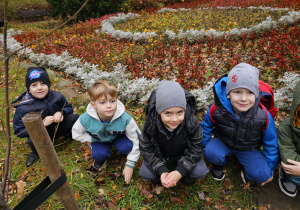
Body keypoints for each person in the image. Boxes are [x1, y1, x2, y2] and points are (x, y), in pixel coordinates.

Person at [201, 63, 278, 186]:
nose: (243, 98)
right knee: (210, 152)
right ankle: (220, 163)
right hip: (223, 142)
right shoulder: (217, 109)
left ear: (256, 94)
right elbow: (206, 126)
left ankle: (248, 172)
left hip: (249, 149)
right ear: (228, 93)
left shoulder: (263, 116)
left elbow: (271, 142)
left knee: (262, 174)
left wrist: (271, 166)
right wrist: (203, 145)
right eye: (237, 92)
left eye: (249, 93)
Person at [139, 80, 209, 188]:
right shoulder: (150, 123)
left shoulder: (191, 122)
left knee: (200, 171)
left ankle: (184, 174)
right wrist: (161, 169)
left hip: (183, 154)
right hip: (160, 154)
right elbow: (145, 148)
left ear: (185, 109)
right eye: (168, 113)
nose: (174, 119)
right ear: (159, 111)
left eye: (180, 112)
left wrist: (181, 170)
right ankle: (160, 176)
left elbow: (196, 146)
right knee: (146, 173)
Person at [72, 80, 140, 184]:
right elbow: (76, 133)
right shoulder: (86, 119)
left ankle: (124, 154)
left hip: (118, 136)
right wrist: (90, 139)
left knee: (127, 147)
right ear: (93, 105)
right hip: (99, 139)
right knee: (99, 154)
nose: (109, 106)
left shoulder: (125, 119)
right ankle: (102, 158)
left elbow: (137, 140)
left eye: (112, 101)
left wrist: (130, 164)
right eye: (102, 102)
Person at [12, 67, 79, 167]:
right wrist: (41, 124)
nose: (40, 87)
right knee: (32, 140)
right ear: (29, 90)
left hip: (56, 127)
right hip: (40, 134)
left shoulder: (57, 96)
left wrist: (61, 112)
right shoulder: (23, 108)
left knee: (74, 117)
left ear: (48, 85)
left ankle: (67, 134)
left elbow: (68, 107)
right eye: (34, 85)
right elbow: (19, 131)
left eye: (43, 83)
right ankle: (35, 153)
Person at [278, 80, 300, 197]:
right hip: (295, 168)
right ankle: (287, 177)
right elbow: (289, 159)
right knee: (291, 171)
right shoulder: (286, 128)